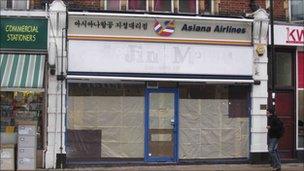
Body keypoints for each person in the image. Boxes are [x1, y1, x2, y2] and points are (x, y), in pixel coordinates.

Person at [267, 106, 282, 171]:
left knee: (271, 150)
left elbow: (278, 128)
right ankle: (277, 165)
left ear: (271, 113)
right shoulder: (270, 118)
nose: (266, 114)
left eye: (267, 113)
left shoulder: (275, 119)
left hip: (274, 137)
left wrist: (270, 128)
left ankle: (277, 165)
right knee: (275, 150)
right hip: (271, 136)